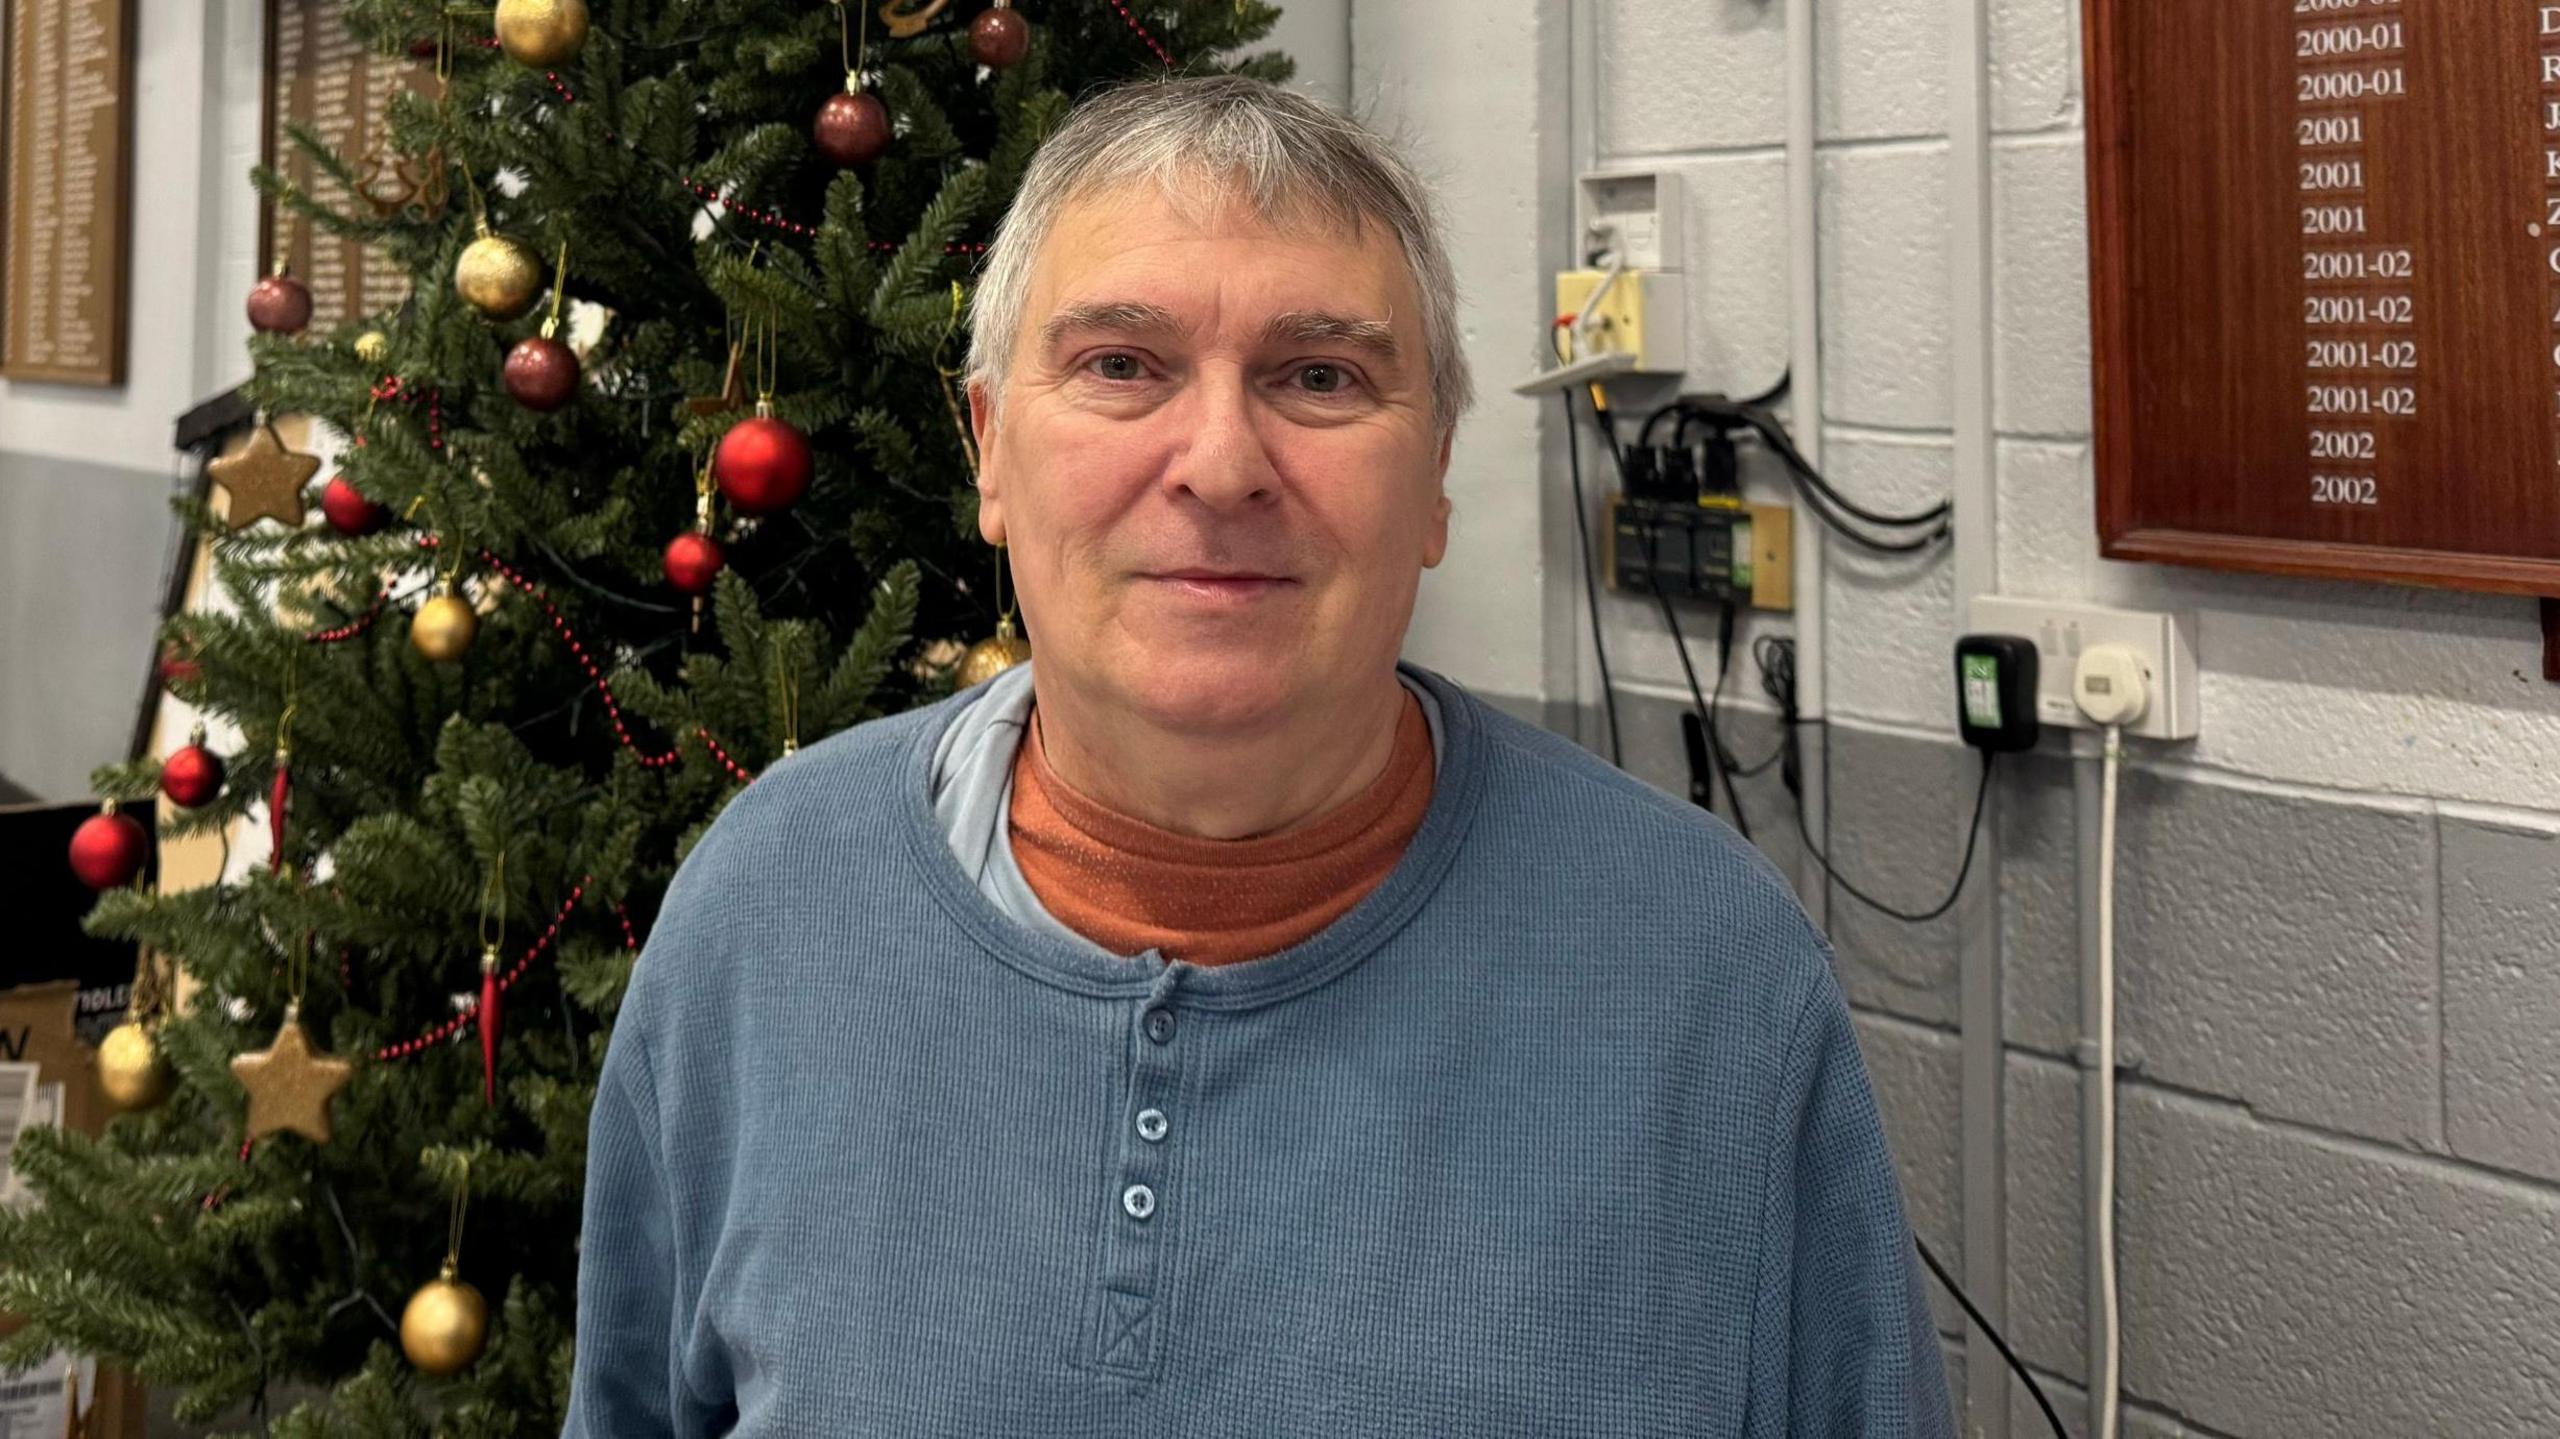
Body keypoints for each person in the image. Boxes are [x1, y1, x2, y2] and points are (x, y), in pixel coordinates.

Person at [564, 74, 1952, 1438]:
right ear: (991, 451)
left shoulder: (1708, 974)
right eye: (1120, 365)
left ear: (1435, 480)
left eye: (1320, 377)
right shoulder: (766, 908)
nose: (1221, 463)